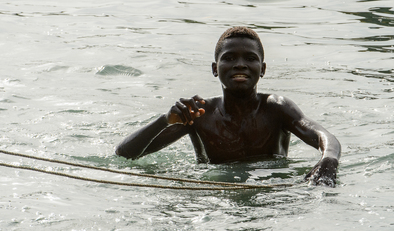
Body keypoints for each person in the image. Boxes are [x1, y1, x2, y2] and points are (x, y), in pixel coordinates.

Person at [116, 26, 341, 187]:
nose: (240, 64)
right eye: (229, 58)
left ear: (262, 69)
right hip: (215, 195)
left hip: (271, 193)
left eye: (250, 58)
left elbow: (326, 138)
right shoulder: (199, 114)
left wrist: (328, 160)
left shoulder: (276, 108)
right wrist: (164, 120)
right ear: (215, 68)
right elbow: (124, 155)